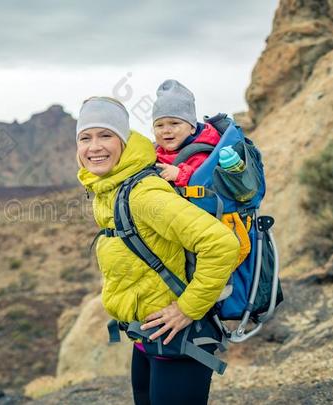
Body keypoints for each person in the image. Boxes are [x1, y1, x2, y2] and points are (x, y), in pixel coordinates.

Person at [76, 96, 239, 404]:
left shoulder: (143, 193)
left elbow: (220, 244)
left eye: (106, 135)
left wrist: (187, 309)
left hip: (180, 341)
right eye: (86, 137)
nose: (94, 147)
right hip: (148, 339)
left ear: (124, 141)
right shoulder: (111, 187)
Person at [153, 79, 220, 187]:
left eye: (174, 123)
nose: (166, 130)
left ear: (192, 127)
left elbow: (208, 184)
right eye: (159, 125)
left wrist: (180, 175)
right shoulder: (155, 152)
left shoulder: (199, 154)